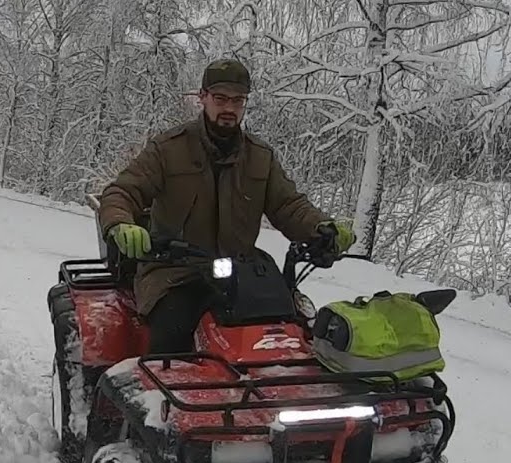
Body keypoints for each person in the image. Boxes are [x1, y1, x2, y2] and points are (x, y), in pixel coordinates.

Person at [96, 58, 356, 354]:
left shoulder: (260, 157)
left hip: (243, 274)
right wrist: (121, 223)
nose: (229, 108)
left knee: (293, 331)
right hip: (175, 272)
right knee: (170, 342)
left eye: (238, 100)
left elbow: (289, 205)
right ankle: (159, 400)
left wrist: (321, 227)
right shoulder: (168, 149)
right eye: (220, 99)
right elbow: (123, 191)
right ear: (202, 98)